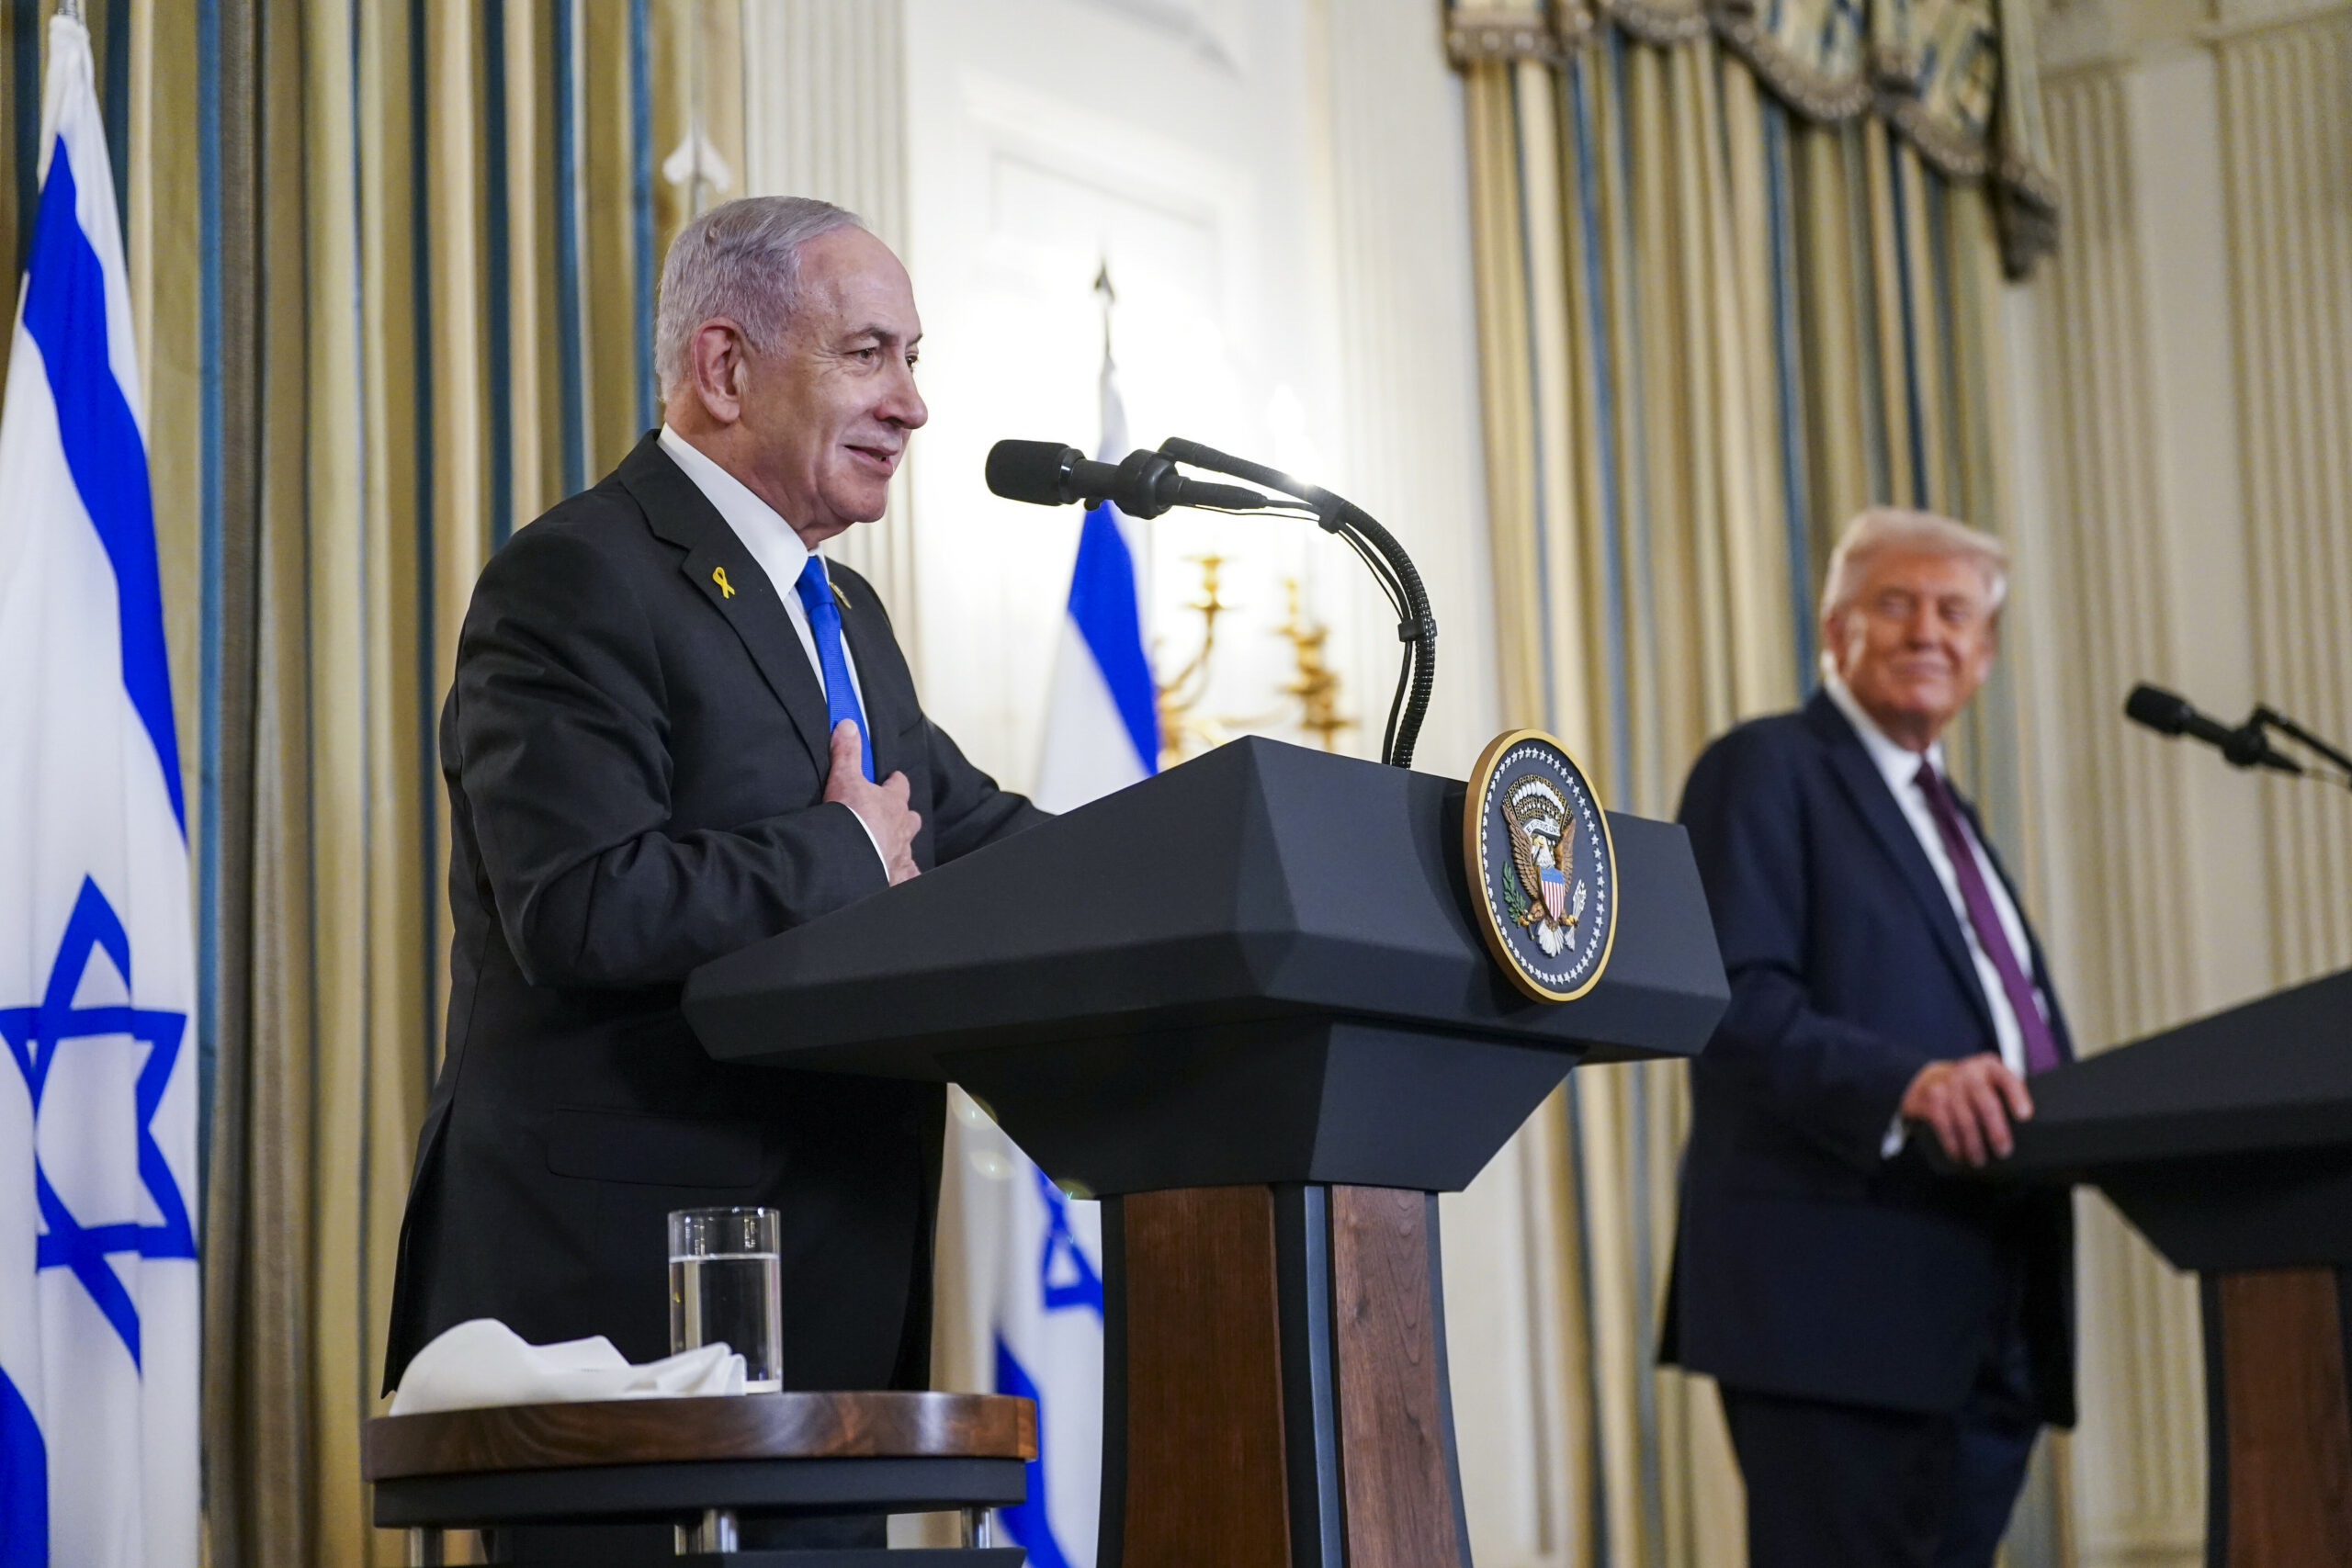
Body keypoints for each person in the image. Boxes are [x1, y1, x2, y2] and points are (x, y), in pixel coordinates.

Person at [381, 197, 1043, 1465]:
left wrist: (1219, 855)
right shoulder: (575, 577)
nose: (912, 403)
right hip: (617, 1316)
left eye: (914, 357)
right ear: (725, 367)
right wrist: (841, 855)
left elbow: (964, 828)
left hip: (831, 1301)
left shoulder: (841, 608)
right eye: (869, 352)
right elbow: (580, 901)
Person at [1660, 509, 2075, 1568]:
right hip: (1835, 1313)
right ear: (1834, 631)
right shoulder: (1766, 767)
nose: (1926, 631)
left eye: (1954, 613)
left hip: (1988, 1306)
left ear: (1982, 657)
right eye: (1895, 604)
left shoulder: (1956, 820)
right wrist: (1910, 1087)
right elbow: (1730, 999)